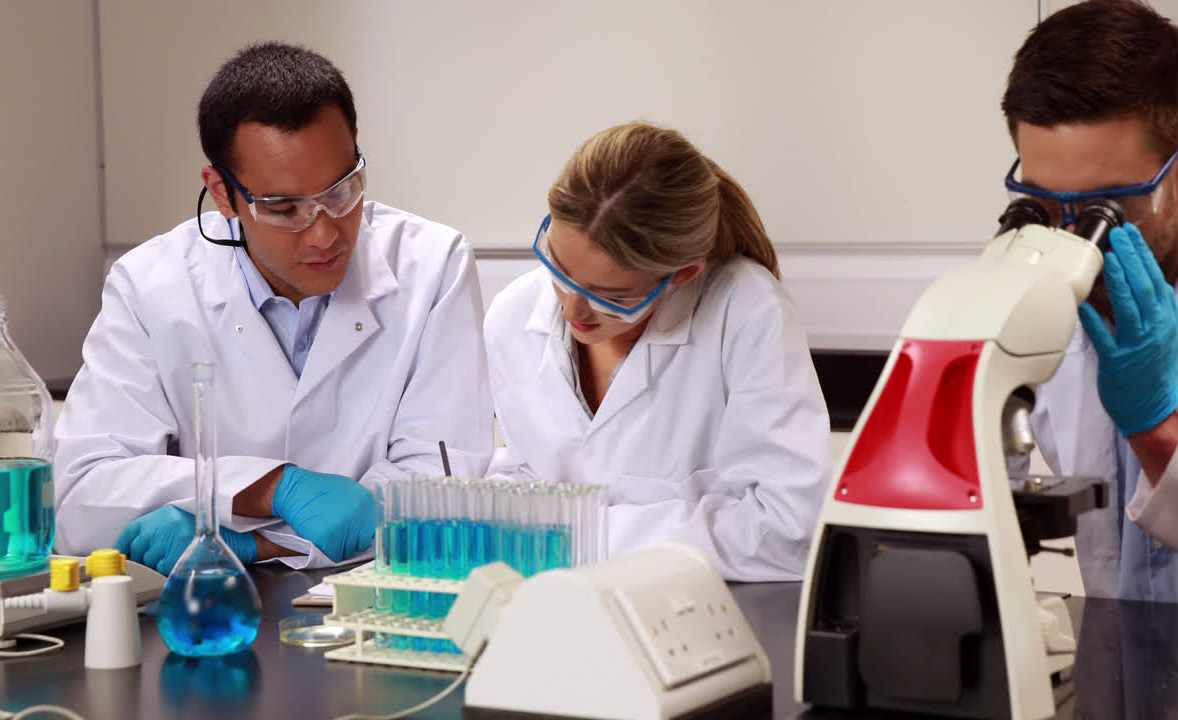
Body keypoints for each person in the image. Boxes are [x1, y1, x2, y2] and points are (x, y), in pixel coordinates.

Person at [54, 42, 493, 573]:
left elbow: (441, 492)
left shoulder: (432, 265)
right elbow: (79, 497)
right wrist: (267, 487)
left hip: (373, 598)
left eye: (343, 190)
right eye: (285, 208)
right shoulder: (150, 287)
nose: (326, 232)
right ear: (222, 193)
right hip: (211, 615)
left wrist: (238, 537)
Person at [1001, 0, 1178, 609]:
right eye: (1043, 205)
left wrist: (1159, 424)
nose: (1072, 242)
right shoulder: (1027, 264)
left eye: (1106, 210)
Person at [483, 122, 831, 581]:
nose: (571, 307)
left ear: (683, 275)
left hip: (698, 617)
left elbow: (790, 530)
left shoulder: (745, 309)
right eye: (558, 268)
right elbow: (526, 472)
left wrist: (581, 536)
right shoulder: (514, 313)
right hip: (550, 604)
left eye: (612, 296)